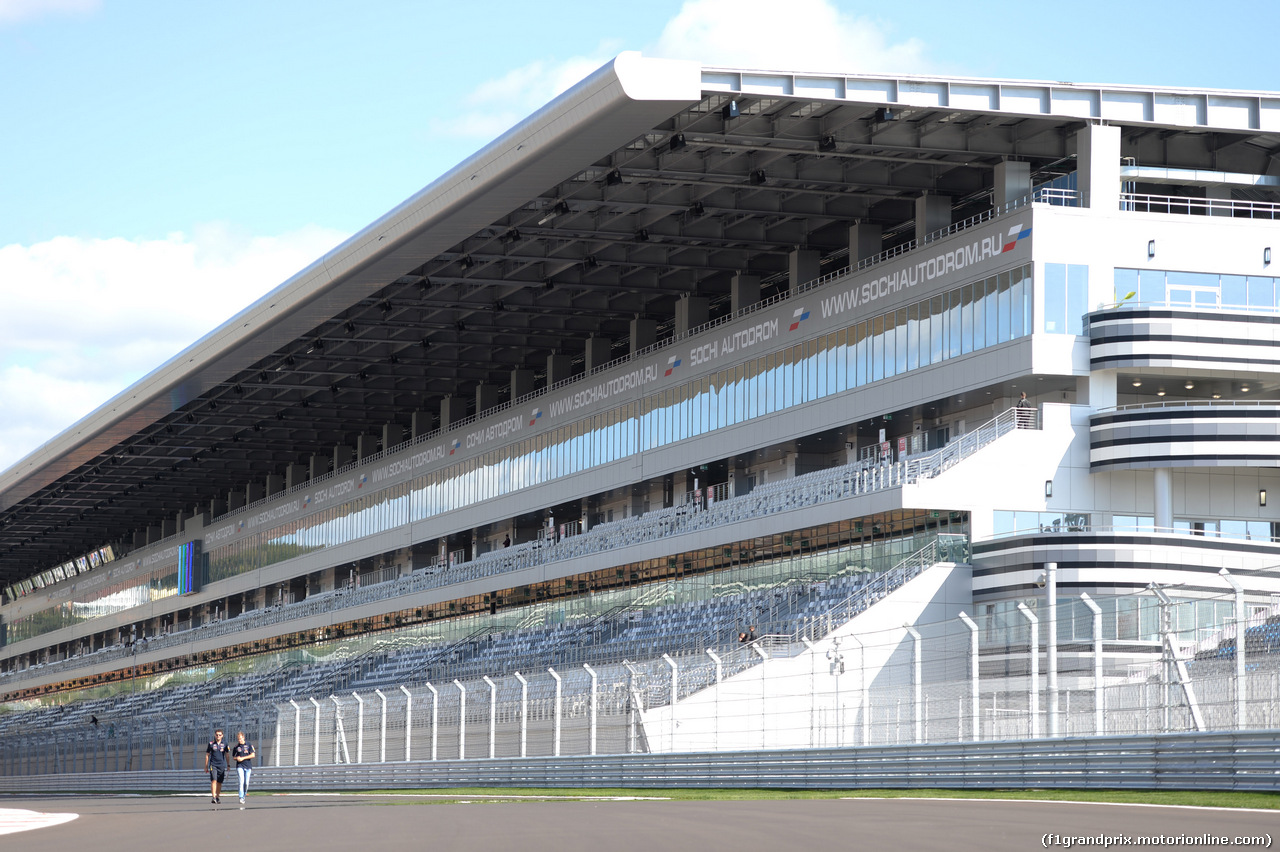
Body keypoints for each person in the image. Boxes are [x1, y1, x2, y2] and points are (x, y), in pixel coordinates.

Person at [205, 728, 230, 805]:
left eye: (219, 735)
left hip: (221, 765)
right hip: (213, 764)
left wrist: (228, 765)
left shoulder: (225, 743)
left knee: (219, 782)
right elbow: (207, 755)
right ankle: (213, 797)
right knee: (214, 780)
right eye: (217, 735)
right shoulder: (211, 743)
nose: (218, 736)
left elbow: (227, 754)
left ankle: (217, 796)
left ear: (222, 735)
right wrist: (206, 766)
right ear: (214, 735)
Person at [232, 730, 255, 805]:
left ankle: (244, 795)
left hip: (248, 766)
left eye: (241, 738)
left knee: (246, 783)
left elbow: (253, 755)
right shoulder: (236, 747)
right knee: (241, 781)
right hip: (240, 766)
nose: (240, 740)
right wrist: (237, 758)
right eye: (238, 739)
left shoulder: (249, 744)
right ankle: (241, 797)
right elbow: (234, 757)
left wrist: (243, 758)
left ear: (243, 738)